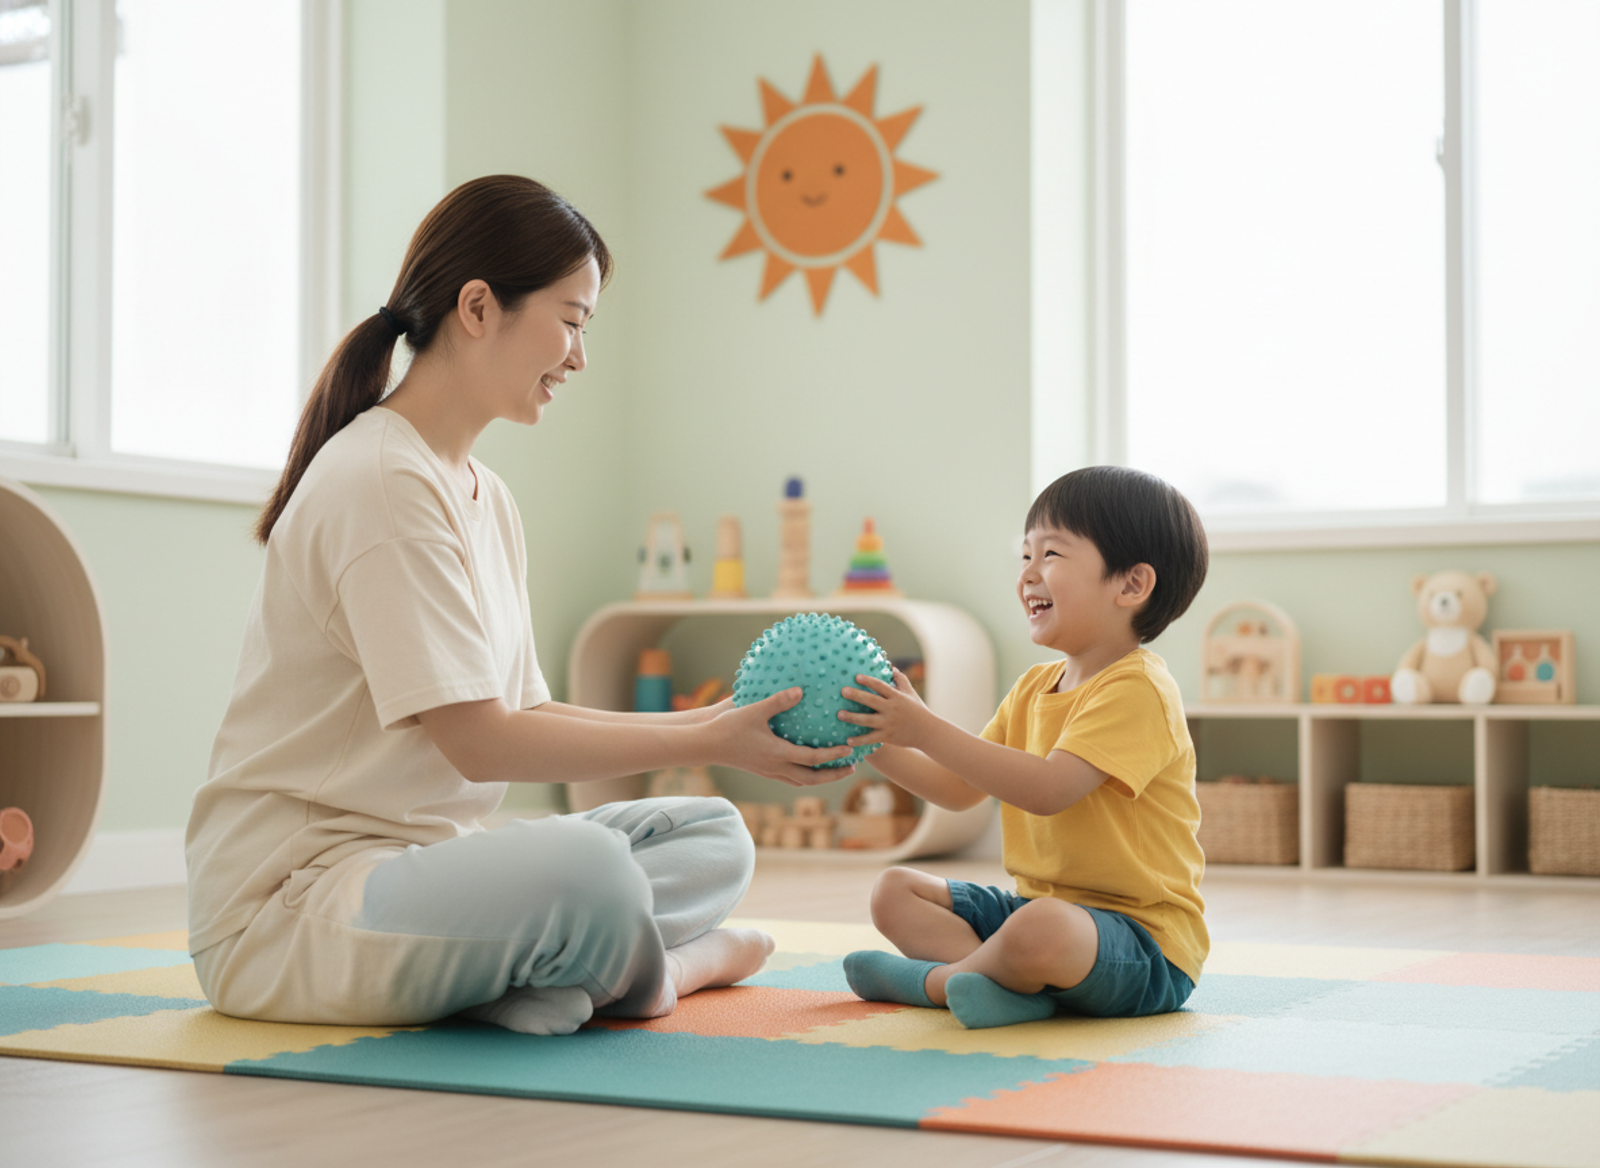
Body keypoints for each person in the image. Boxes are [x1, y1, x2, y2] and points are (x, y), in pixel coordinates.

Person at [185, 175, 852, 1038]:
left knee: (714, 833)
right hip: (290, 910)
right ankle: (672, 972)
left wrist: (716, 726)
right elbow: (479, 741)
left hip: (430, 865)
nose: (580, 356)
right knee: (588, 873)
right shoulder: (381, 480)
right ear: (477, 307)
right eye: (571, 320)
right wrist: (703, 736)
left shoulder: (483, 493)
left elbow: (524, 710)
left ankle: (557, 973)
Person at [830, 466, 1208, 1029]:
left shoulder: (1140, 688)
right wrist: (875, 739)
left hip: (1143, 945)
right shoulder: (1034, 686)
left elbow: (1048, 789)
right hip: (1038, 915)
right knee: (896, 890)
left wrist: (922, 726)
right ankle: (1009, 987)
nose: (1028, 574)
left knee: (1044, 929)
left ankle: (940, 981)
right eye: (1024, 556)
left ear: (1131, 585)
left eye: (1051, 554)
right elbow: (959, 791)